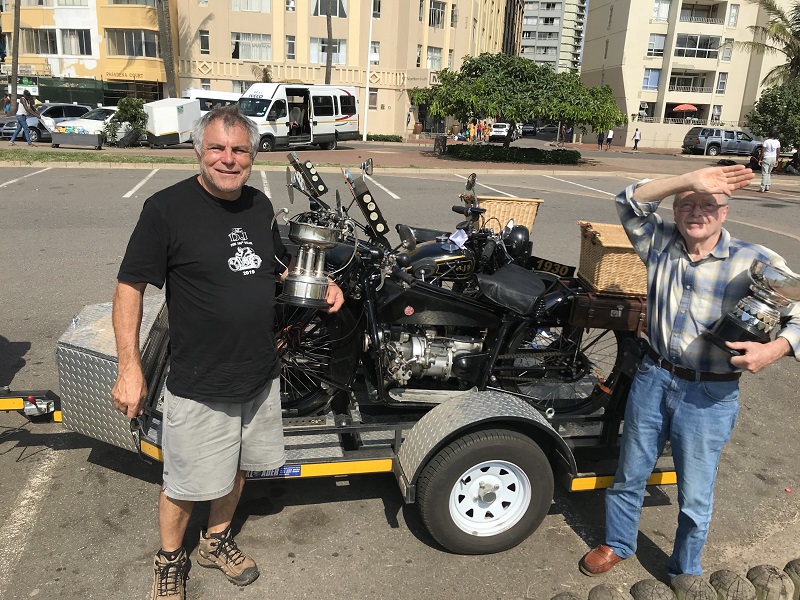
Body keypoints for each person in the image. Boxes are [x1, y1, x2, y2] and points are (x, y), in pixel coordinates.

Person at [111, 105, 344, 600]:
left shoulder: (258, 206)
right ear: (199, 150)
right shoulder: (166, 209)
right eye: (217, 147)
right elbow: (130, 286)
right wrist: (129, 368)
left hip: (259, 375)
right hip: (199, 378)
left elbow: (270, 267)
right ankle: (170, 559)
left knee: (238, 466)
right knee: (184, 482)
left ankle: (216, 540)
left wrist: (318, 285)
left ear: (252, 155)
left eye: (239, 149)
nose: (228, 159)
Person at [579, 164, 800, 581]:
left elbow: (798, 313)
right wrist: (691, 180)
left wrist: (774, 349)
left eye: (708, 205)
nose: (697, 212)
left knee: (695, 493)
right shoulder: (658, 242)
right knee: (630, 471)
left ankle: (684, 568)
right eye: (687, 205)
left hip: (710, 395)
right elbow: (628, 200)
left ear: (726, 212)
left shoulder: (756, 261)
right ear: (676, 211)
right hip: (654, 376)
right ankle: (619, 543)